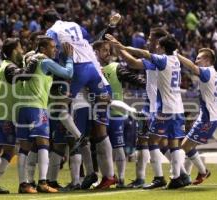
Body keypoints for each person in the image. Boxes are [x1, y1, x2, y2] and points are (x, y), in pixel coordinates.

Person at [43, 9, 117, 189]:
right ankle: (107, 176)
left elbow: (49, 53)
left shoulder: (51, 32)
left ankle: (80, 140)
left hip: (78, 71)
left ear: (46, 23)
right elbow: (89, 41)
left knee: (60, 109)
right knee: (100, 129)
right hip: (95, 71)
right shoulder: (75, 25)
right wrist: (110, 26)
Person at [106, 33, 187, 189]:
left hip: (161, 108)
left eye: (151, 40)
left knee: (151, 141)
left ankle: (158, 177)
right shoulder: (174, 59)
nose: (149, 42)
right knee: (170, 143)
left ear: (160, 44)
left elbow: (133, 61)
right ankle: (179, 176)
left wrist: (120, 46)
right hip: (176, 107)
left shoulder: (159, 60)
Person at [16, 36, 73, 193]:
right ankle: (42, 182)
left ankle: (23, 184)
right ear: (42, 49)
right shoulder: (45, 62)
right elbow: (68, 73)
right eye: (52, 47)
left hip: (22, 108)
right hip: (37, 108)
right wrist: (69, 58)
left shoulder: (28, 60)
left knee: (24, 148)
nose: (55, 49)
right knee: (43, 144)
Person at [0, 37, 31, 194]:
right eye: (21, 47)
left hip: (5, 114)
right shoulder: (9, 67)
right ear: (15, 50)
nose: (22, 51)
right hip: (4, 115)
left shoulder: (7, 65)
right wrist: (33, 63)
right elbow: (20, 75)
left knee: (7, 151)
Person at [93, 40, 145, 187]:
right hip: (96, 113)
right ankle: (104, 177)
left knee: (118, 146)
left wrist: (148, 84)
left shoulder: (116, 67)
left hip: (115, 113)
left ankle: (120, 179)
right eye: (104, 50)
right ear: (95, 52)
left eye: (109, 50)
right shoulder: (91, 68)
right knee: (99, 148)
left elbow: (134, 79)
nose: (108, 53)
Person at [177, 48, 217, 185]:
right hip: (208, 117)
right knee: (189, 146)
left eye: (199, 58)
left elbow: (192, 67)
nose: (196, 60)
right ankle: (187, 176)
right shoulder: (215, 73)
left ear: (207, 61)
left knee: (185, 146)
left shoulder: (206, 72)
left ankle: (203, 171)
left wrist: (177, 55)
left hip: (208, 119)